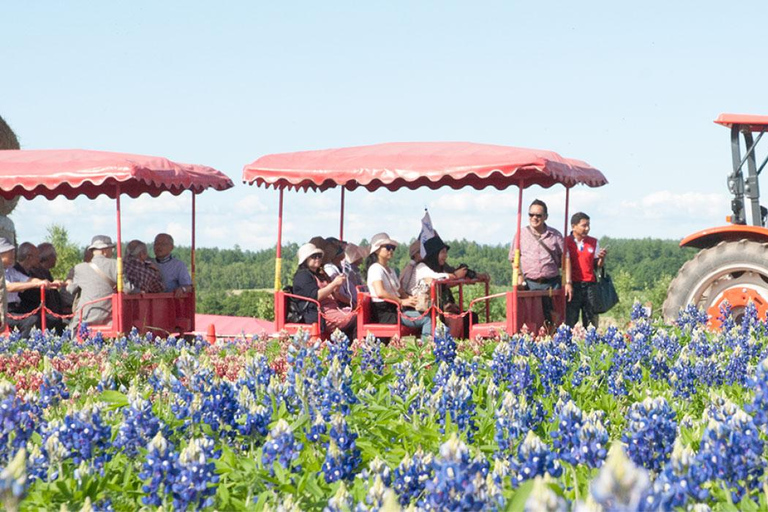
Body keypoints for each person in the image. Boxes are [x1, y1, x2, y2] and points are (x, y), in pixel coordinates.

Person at [510, 199, 572, 327]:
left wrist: (568, 282)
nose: (534, 218)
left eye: (538, 215)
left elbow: (566, 258)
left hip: (551, 284)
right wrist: (519, 275)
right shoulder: (521, 234)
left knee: (555, 319)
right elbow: (513, 258)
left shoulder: (555, 235)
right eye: (531, 215)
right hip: (530, 284)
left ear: (545, 217)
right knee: (531, 319)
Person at [366, 232, 431, 339]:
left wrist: (412, 299)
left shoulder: (390, 270)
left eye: (392, 248)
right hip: (384, 312)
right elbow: (380, 293)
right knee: (427, 319)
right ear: (377, 250)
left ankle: (425, 344)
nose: (391, 250)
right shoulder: (375, 269)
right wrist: (401, 301)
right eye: (387, 247)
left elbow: (400, 291)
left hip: (394, 308)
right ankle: (426, 350)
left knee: (426, 313)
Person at [292, 242, 356, 340]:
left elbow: (334, 294)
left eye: (319, 256)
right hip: (320, 314)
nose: (317, 258)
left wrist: (338, 287)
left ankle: (350, 346)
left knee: (361, 314)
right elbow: (316, 296)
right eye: (313, 256)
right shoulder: (302, 276)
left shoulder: (320, 274)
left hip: (334, 309)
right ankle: (354, 346)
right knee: (357, 319)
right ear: (305, 259)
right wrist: (334, 284)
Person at [68, 235, 134, 327]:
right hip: (109, 319)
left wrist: (68, 282)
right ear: (105, 250)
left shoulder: (79, 268)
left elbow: (71, 289)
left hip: (84, 317)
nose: (112, 252)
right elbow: (128, 289)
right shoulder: (116, 265)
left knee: (70, 330)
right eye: (111, 249)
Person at [2, 239, 56, 337]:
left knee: (50, 319)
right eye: (9, 252)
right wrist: (36, 284)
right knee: (31, 321)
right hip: (3, 311)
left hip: (15, 309)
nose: (13, 255)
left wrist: (45, 283)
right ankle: (22, 348)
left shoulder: (10, 271)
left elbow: (27, 279)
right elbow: (8, 287)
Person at [565, 212, 607, 328]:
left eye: (588, 225)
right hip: (572, 285)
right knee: (569, 320)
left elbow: (596, 265)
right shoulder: (565, 242)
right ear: (573, 226)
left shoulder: (593, 242)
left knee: (591, 321)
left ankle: (590, 344)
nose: (587, 229)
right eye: (584, 225)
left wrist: (601, 259)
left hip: (590, 285)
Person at [31, 242, 66, 315]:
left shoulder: (46, 273)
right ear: (49, 257)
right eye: (54, 255)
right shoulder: (35, 273)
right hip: (42, 315)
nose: (56, 258)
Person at [341, 243, 368, 308]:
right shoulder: (351, 271)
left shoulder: (353, 270)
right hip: (356, 299)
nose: (362, 258)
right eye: (360, 256)